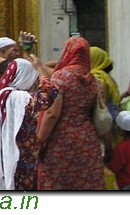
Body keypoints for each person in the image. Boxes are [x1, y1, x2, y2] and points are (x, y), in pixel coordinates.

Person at [34, 35, 105, 190]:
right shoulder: (96, 81)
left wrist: (38, 141)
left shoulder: (61, 77)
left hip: (61, 140)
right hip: (88, 140)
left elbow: (52, 114)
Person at [0, 58, 40, 190]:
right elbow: (49, 97)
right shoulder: (22, 98)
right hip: (22, 158)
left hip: (1, 157)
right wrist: (42, 71)